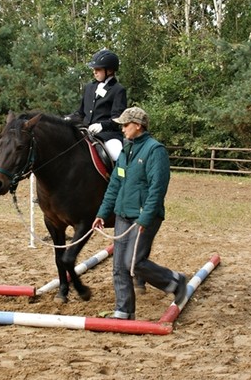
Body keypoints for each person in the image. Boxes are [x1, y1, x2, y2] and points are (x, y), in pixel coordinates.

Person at [92, 106, 187, 320]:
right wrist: (102, 213)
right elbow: (115, 185)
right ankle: (123, 311)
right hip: (122, 214)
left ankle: (174, 281)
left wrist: (145, 217)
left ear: (138, 125)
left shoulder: (155, 151)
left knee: (134, 262)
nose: (123, 129)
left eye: (125, 125)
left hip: (145, 216)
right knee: (118, 266)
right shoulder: (126, 150)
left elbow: (158, 188)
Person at [67, 49, 127, 161]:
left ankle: (118, 177)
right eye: (94, 69)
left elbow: (118, 118)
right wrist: (67, 118)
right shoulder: (89, 87)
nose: (94, 72)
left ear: (109, 70)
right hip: (85, 131)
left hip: (107, 134)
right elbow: (80, 112)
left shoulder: (118, 90)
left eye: (98, 69)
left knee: (116, 152)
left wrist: (102, 125)